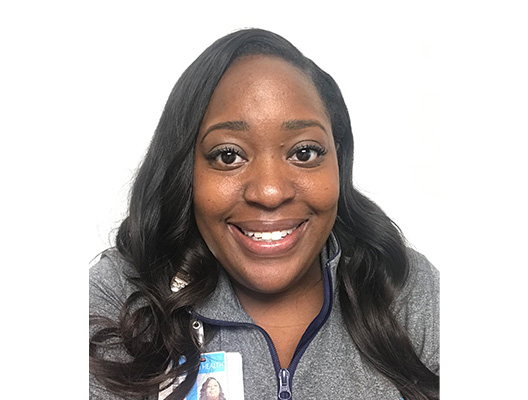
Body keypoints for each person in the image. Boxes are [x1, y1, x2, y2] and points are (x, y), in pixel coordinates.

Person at [89, 28, 439, 400]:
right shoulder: (119, 297)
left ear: (338, 160)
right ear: (185, 170)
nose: (270, 192)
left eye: (304, 153)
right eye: (228, 155)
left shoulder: (407, 289)